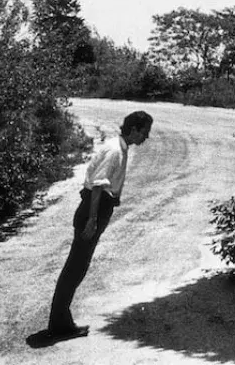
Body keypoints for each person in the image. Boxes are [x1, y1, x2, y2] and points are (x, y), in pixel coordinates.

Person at [46, 110, 153, 339]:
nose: (146, 137)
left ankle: (61, 321)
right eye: (145, 132)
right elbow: (97, 186)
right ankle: (59, 324)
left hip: (98, 208)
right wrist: (93, 220)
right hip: (93, 210)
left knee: (78, 268)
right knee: (75, 268)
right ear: (134, 129)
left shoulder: (119, 147)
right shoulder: (115, 150)